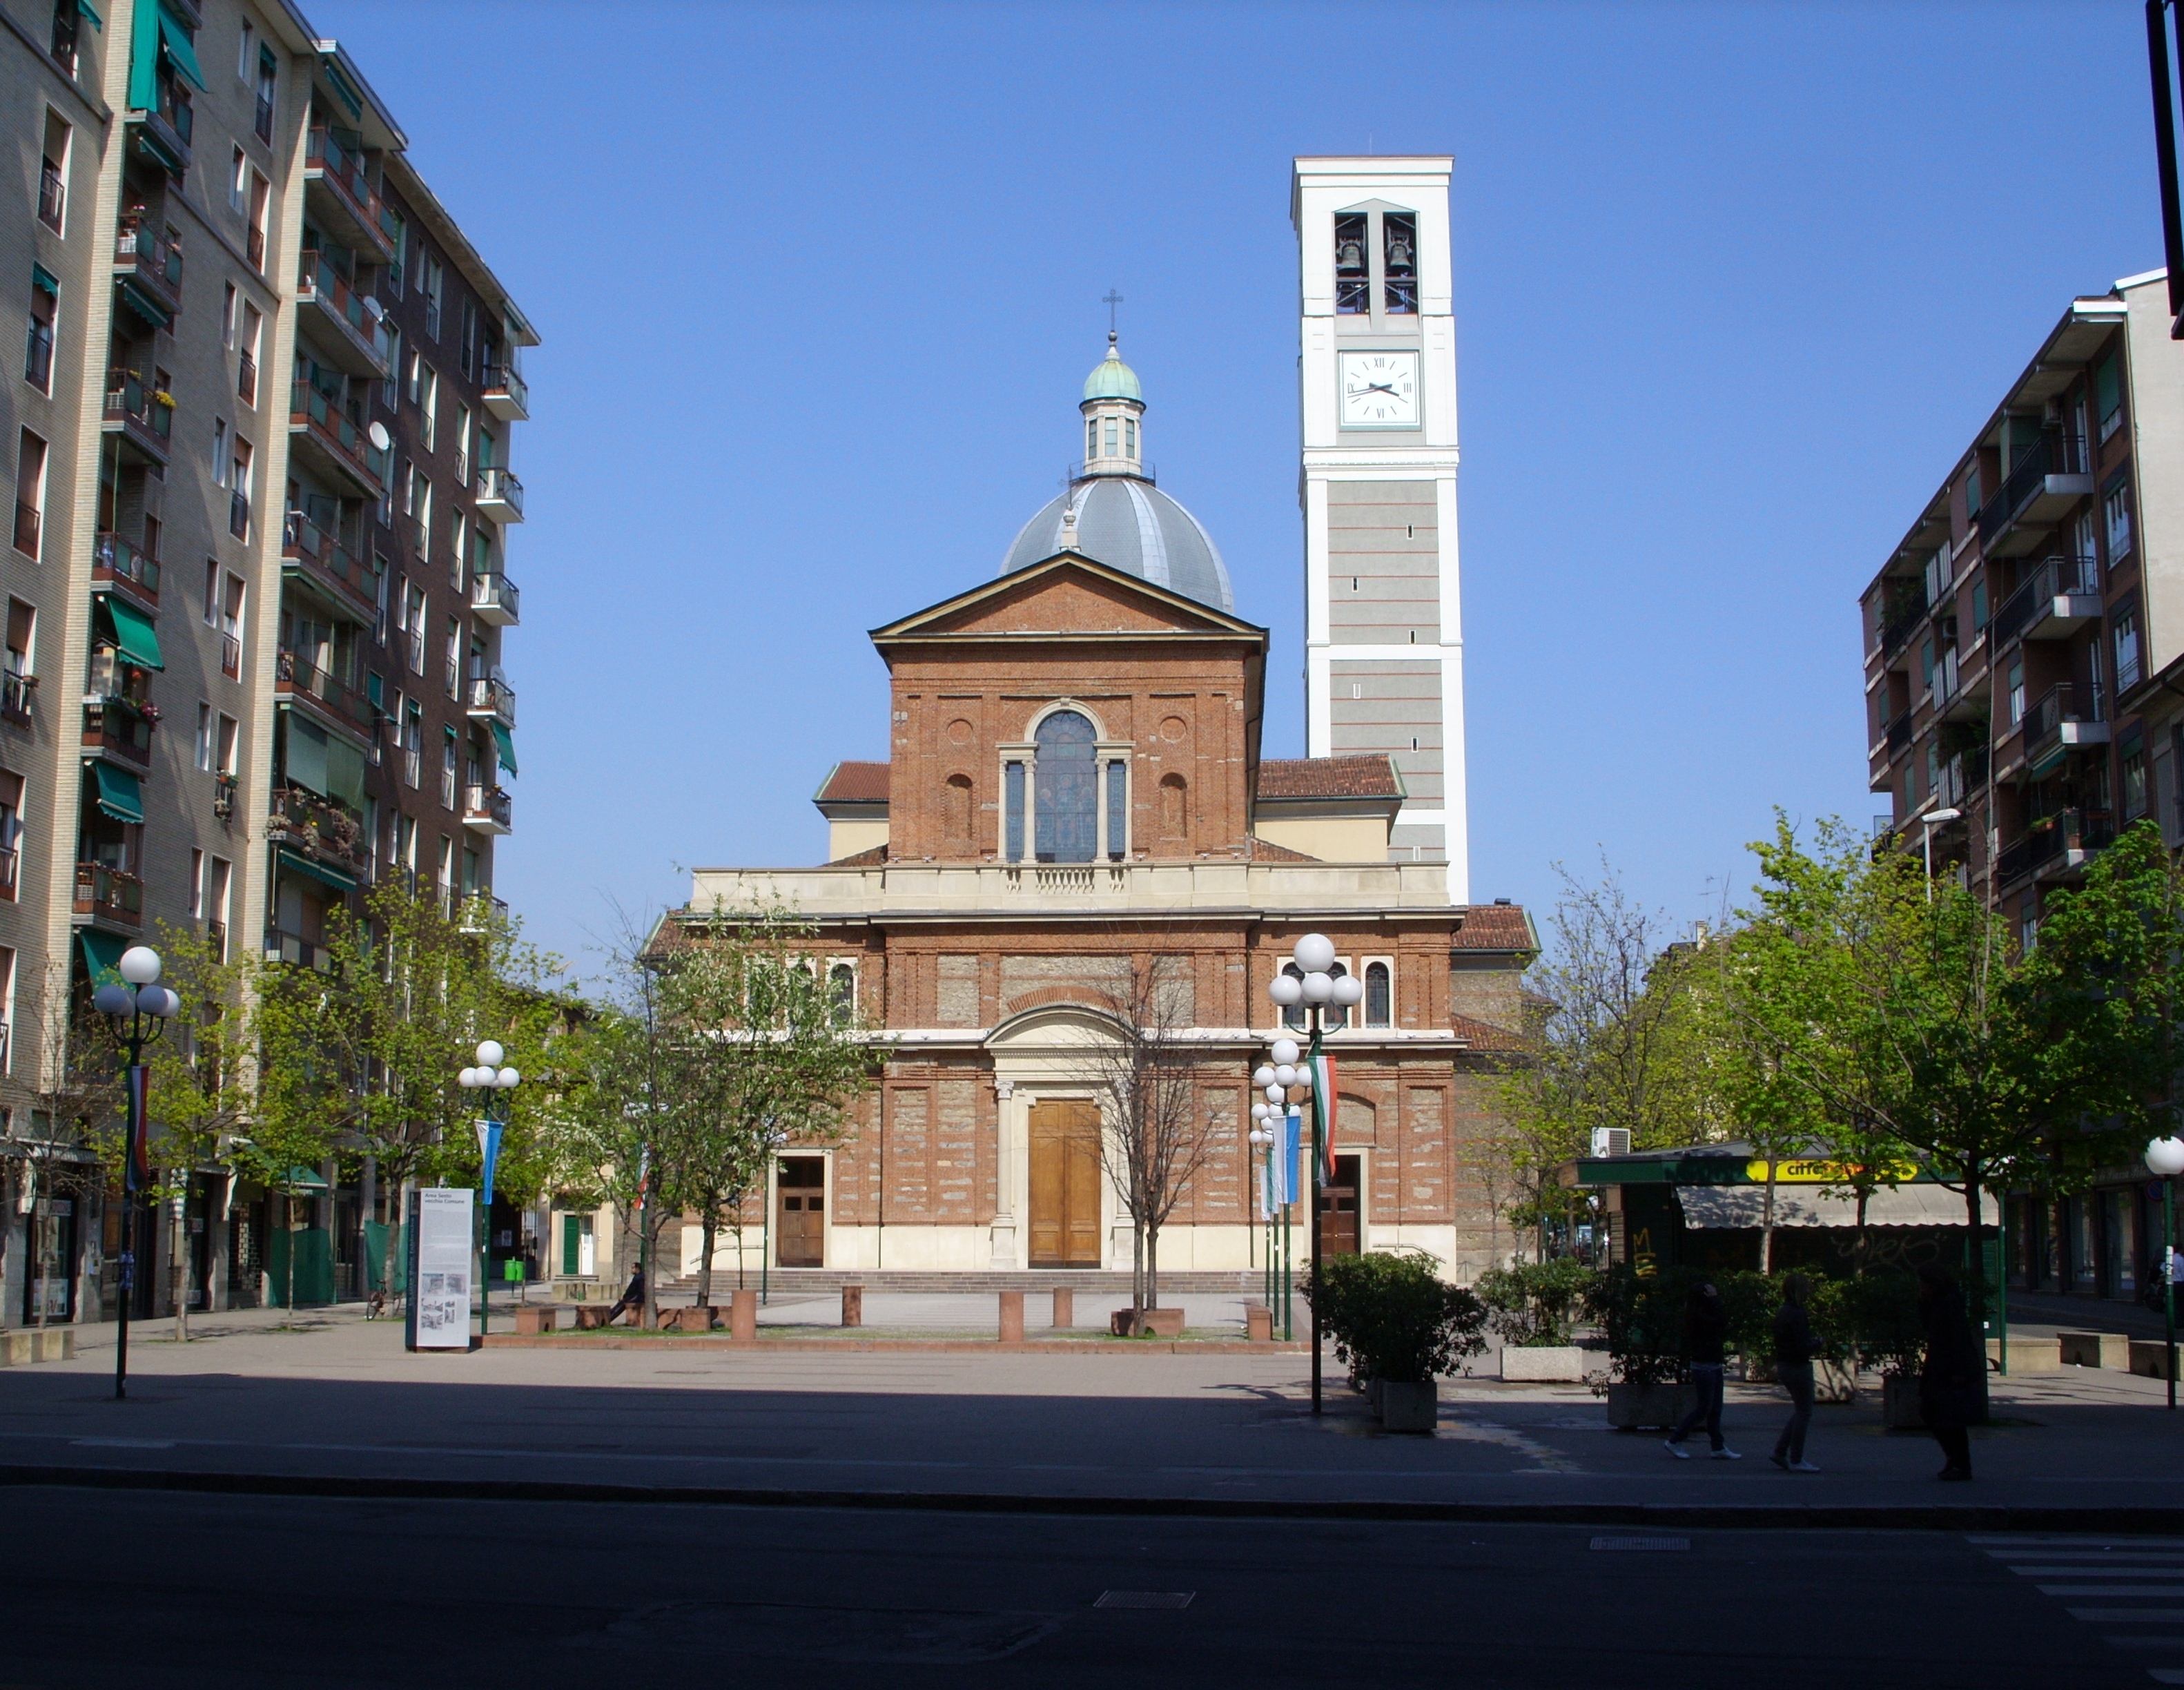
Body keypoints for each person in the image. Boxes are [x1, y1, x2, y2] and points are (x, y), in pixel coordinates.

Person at [1917, 1262, 1978, 1481]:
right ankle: (1954, 1459)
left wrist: (1958, 1370)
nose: (1921, 1288)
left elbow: (1958, 1337)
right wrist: (1924, 1303)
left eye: (1924, 1284)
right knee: (1932, 1412)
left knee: (1948, 1417)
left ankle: (1960, 1462)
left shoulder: (1950, 1303)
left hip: (1948, 1367)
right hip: (1938, 1365)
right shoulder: (1937, 1302)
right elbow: (1928, 1327)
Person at [1666, 1280, 1739, 1459]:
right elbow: (1721, 1321)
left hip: (1712, 1363)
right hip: (1704, 1365)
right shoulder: (1699, 1316)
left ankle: (1718, 1446)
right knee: (1704, 1408)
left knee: (1715, 1408)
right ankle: (1675, 1440)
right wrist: (1716, 1300)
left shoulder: (1697, 1314)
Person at [1769, 1272, 1822, 1473]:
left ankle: (1781, 1451)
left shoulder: (1784, 1311)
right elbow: (1801, 1346)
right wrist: (1816, 1343)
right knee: (1805, 1411)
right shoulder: (1798, 1314)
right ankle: (1796, 1458)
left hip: (1785, 1364)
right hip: (1798, 1366)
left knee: (1801, 1410)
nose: (1809, 1291)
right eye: (1806, 1288)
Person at [605, 1261, 646, 1327]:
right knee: (621, 1302)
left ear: (637, 1269)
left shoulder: (638, 1278)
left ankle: (609, 1318)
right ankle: (610, 1314)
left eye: (633, 1268)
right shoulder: (640, 1276)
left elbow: (631, 1289)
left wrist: (625, 1296)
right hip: (637, 1296)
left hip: (638, 1296)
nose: (631, 1270)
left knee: (623, 1303)